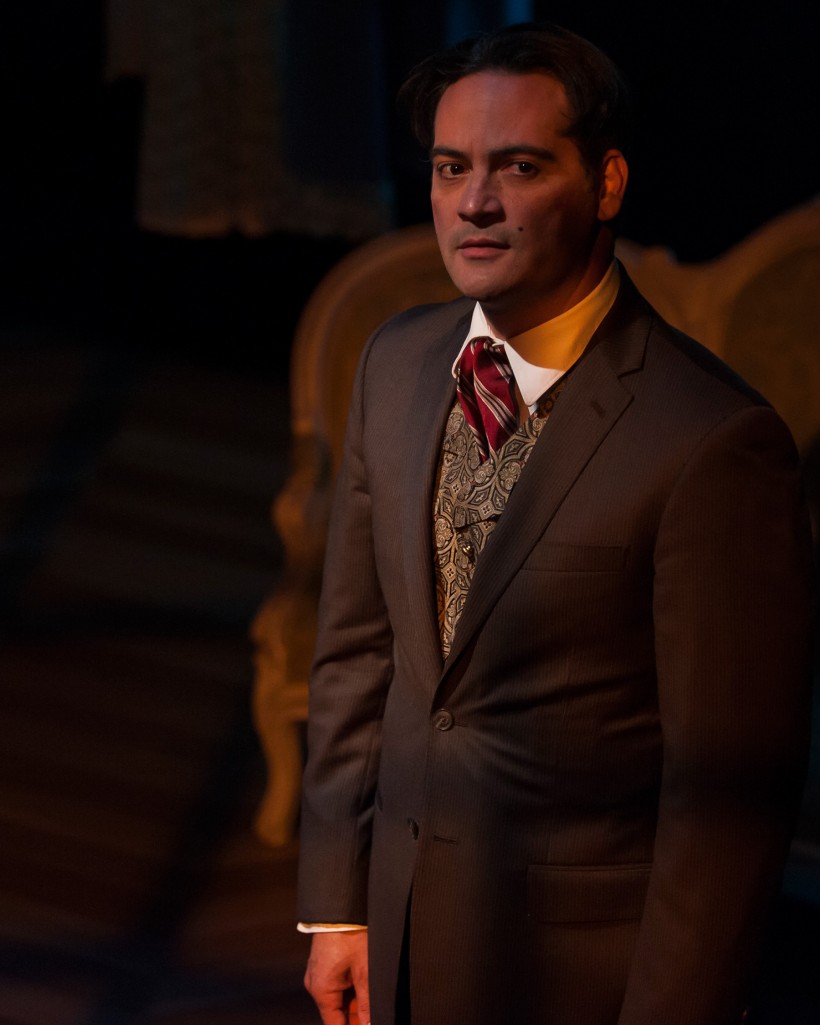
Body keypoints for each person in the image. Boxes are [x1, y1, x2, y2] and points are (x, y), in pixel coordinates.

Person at [295, 21, 815, 1025]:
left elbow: (725, 803)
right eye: (451, 167)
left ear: (606, 183)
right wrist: (338, 905)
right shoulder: (395, 365)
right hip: (398, 939)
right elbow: (357, 656)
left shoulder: (712, 443)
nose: (474, 202)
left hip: (580, 978)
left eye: (519, 167)